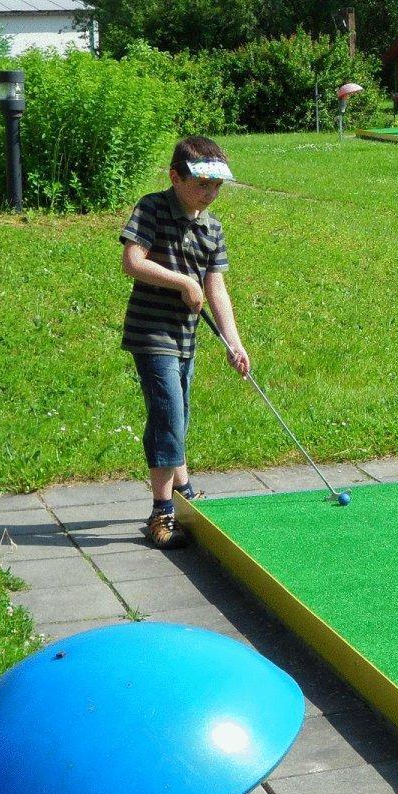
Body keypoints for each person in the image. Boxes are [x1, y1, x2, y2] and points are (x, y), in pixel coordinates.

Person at [119, 136, 249, 549]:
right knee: (168, 415)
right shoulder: (152, 208)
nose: (209, 195)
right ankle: (161, 512)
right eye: (201, 185)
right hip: (151, 333)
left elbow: (217, 289)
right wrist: (182, 282)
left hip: (185, 338)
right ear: (175, 176)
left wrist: (234, 342)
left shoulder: (212, 228)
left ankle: (184, 490)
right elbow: (133, 262)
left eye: (216, 187)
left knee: (180, 412)